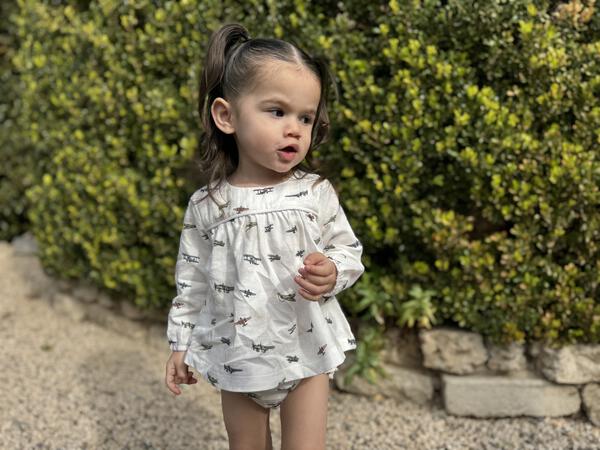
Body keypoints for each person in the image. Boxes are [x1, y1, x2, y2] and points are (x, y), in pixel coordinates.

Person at [164, 22, 364, 450]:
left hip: (305, 347)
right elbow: (192, 280)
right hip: (238, 354)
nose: (294, 128)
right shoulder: (209, 205)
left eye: (305, 117)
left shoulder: (314, 193)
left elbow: (347, 249)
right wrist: (181, 343)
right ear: (227, 115)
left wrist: (333, 271)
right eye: (277, 111)